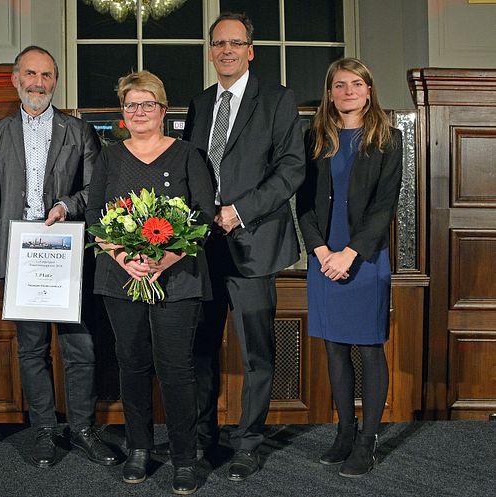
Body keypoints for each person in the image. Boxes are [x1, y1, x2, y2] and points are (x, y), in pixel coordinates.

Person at [0, 46, 117, 468]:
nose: (39, 83)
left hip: (68, 257)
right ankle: (42, 432)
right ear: (16, 79)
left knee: (80, 348)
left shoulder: (78, 131)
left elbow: (97, 190)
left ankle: (83, 430)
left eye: (47, 76)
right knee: (31, 350)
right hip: (20, 259)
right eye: (31, 74)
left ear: (56, 81)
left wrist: (67, 206)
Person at [182, 12, 305, 480]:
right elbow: (192, 168)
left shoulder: (276, 100)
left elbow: (292, 168)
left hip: (253, 244)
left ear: (250, 50)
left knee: (256, 352)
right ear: (211, 50)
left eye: (236, 43)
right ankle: (200, 438)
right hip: (202, 249)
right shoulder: (198, 104)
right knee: (201, 349)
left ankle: (249, 443)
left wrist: (239, 210)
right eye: (219, 43)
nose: (227, 50)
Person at [86, 70, 215, 495]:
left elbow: (203, 217)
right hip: (121, 278)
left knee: (177, 369)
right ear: (123, 113)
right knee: (133, 363)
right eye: (131, 105)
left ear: (162, 110)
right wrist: (124, 257)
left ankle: (183, 457)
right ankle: (139, 449)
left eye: (148, 104)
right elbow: (94, 215)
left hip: (178, 279)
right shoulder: (108, 157)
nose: (139, 112)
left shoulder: (188, 155)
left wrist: (168, 256)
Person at [297, 57, 402, 477]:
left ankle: (367, 440)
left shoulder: (387, 139)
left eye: (356, 84)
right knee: (334, 348)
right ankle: (345, 432)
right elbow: (303, 203)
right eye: (340, 85)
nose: (348, 91)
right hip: (323, 259)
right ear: (330, 92)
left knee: (369, 349)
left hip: (365, 260)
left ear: (369, 90)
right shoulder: (314, 139)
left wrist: (350, 254)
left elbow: (384, 207)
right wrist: (322, 252)